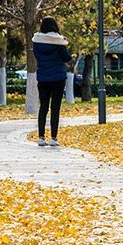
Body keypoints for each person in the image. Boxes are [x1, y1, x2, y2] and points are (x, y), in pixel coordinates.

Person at [32, 17, 72, 147]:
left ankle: (41, 137)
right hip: (58, 78)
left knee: (43, 107)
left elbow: (37, 56)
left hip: (43, 77)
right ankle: (54, 138)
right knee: (55, 108)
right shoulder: (58, 42)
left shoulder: (37, 41)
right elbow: (67, 58)